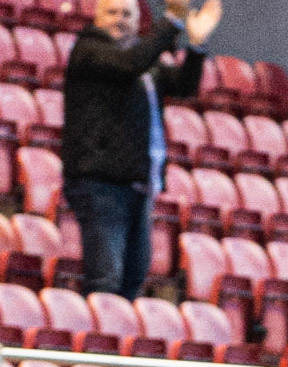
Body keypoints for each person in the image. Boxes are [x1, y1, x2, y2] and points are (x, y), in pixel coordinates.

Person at [62, 0, 223, 301]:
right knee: (106, 276)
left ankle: (117, 341)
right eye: (112, 13)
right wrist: (173, 21)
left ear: (138, 21)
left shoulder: (143, 59)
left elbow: (183, 86)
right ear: (96, 17)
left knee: (134, 275)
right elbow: (129, 65)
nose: (119, 20)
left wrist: (197, 45)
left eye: (127, 14)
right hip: (101, 182)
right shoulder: (90, 50)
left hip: (137, 183)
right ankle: (99, 341)